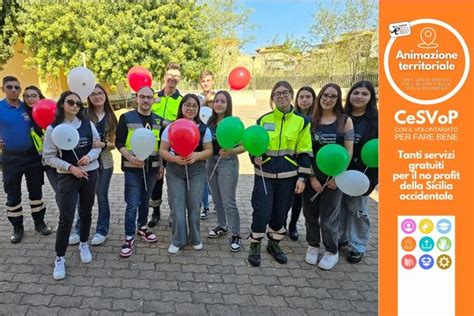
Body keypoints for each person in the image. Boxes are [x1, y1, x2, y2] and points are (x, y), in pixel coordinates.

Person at [248, 81, 312, 267]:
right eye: (277, 93)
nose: (282, 96)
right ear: (272, 98)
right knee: (261, 212)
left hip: (288, 177)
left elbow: (305, 151)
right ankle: (255, 244)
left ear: (292, 95)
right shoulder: (263, 120)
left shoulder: (302, 122)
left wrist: (302, 178)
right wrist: (254, 157)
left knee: (280, 214)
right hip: (264, 176)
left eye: (285, 93)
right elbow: (254, 144)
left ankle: (274, 244)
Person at [43, 91, 101, 280]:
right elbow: (48, 157)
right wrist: (69, 167)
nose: (75, 106)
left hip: (89, 174)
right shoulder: (53, 128)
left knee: (86, 212)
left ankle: (84, 243)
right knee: (66, 217)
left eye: (78, 103)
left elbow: (96, 146)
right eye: (71, 102)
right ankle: (59, 257)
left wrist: (89, 157)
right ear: (62, 104)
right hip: (68, 177)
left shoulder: (87, 124)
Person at [302, 83, 354, 270]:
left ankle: (332, 251)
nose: (328, 99)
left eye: (333, 96)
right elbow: (305, 152)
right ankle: (313, 245)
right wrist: (312, 178)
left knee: (329, 218)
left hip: (335, 179)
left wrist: (337, 177)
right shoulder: (310, 122)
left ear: (337, 99)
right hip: (312, 176)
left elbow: (348, 152)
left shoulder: (345, 121)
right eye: (325, 95)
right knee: (310, 214)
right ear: (319, 97)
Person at [159, 94, 213, 254]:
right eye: (187, 105)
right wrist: (175, 159)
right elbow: (162, 150)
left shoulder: (204, 129)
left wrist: (197, 155)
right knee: (177, 207)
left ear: (198, 108)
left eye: (194, 105)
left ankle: (195, 238)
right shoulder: (171, 127)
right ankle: (178, 239)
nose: (190, 108)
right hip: (175, 171)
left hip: (196, 171)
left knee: (195, 206)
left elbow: (209, 151)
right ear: (181, 107)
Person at [0, 76, 50, 243]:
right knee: (13, 194)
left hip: (32, 157)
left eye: (16, 87)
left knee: (36, 191)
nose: (14, 90)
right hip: (11, 157)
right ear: (3, 89)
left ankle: (39, 222)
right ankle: (17, 227)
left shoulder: (27, 107)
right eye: (9, 87)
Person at [115, 86, 163, 257]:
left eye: (149, 97)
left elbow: (161, 146)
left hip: (152, 169)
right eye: (142, 97)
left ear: (153, 99)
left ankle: (142, 228)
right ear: (137, 97)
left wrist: (161, 167)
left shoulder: (159, 120)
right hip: (132, 169)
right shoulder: (126, 117)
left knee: (145, 200)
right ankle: (129, 236)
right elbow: (119, 143)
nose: (145, 100)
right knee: (132, 203)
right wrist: (130, 158)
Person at [69, 84, 118, 246]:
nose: (97, 96)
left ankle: (102, 230)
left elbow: (114, 143)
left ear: (105, 95)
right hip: (84, 162)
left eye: (100, 93)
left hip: (105, 162)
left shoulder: (111, 116)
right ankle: (78, 229)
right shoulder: (83, 114)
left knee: (101, 196)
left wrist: (103, 144)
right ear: (88, 98)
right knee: (81, 198)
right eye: (93, 94)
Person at [338, 80, 378, 264]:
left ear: (370, 98)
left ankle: (357, 246)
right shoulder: (341, 117)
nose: (359, 97)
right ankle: (341, 238)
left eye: (364, 94)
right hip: (340, 172)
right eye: (356, 93)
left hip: (363, 175)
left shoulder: (376, 122)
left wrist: (372, 180)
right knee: (340, 208)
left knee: (357, 210)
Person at [205, 91, 245, 251]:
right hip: (211, 162)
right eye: (216, 101)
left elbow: (245, 145)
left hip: (227, 162)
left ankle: (235, 234)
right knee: (216, 198)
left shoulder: (234, 122)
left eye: (223, 101)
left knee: (228, 200)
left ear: (228, 105)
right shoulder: (210, 122)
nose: (219, 104)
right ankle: (222, 226)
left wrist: (231, 151)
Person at [148, 62, 183, 227]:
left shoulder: (182, 101)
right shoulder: (154, 97)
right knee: (156, 180)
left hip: (174, 147)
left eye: (176, 76)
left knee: (174, 181)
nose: (173, 78)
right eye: (170, 75)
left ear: (180, 79)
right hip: (154, 146)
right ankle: (155, 212)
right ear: (164, 77)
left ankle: (173, 212)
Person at [286, 86, 317, 241]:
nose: (305, 100)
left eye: (308, 97)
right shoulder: (293, 118)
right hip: (293, 165)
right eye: (301, 97)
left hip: (312, 165)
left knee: (301, 200)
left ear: (313, 99)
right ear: (296, 100)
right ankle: (283, 223)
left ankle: (293, 225)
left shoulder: (317, 120)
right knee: (290, 198)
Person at [197, 70, 216, 220]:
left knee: (213, 175)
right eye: (203, 81)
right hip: (201, 140)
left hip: (216, 141)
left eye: (208, 80)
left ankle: (215, 202)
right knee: (203, 176)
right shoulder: (197, 98)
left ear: (213, 81)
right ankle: (205, 206)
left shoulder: (219, 97)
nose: (206, 83)